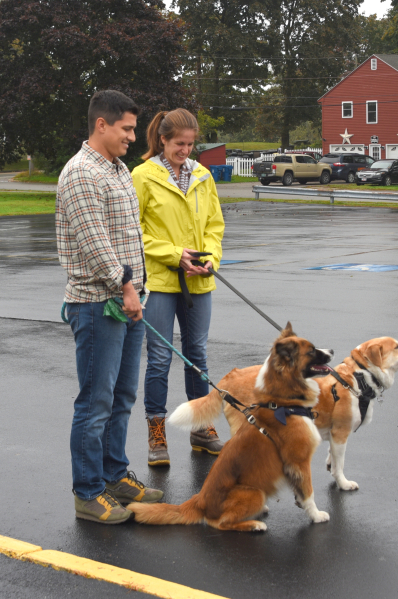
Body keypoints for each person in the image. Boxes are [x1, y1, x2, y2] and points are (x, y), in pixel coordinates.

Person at [56, 90, 163, 524]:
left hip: (128, 299)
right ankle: (87, 492)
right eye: (127, 129)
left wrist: (137, 288)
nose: (134, 138)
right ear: (101, 125)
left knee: (122, 395)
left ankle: (115, 475)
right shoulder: (82, 172)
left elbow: (127, 234)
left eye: (134, 129)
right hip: (100, 305)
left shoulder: (117, 169)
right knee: (96, 401)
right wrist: (125, 287)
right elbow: (96, 242)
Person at [131, 109, 225, 467]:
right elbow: (132, 231)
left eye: (190, 144)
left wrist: (211, 257)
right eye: (178, 144)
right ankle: (157, 432)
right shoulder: (142, 175)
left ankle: (201, 428)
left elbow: (215, 224)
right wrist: (173, 254)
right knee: (158, 358)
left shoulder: (202, 174)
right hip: (160, 279)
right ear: (163, 140)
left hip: (199, 280)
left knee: (197, 354)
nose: (185, 150)